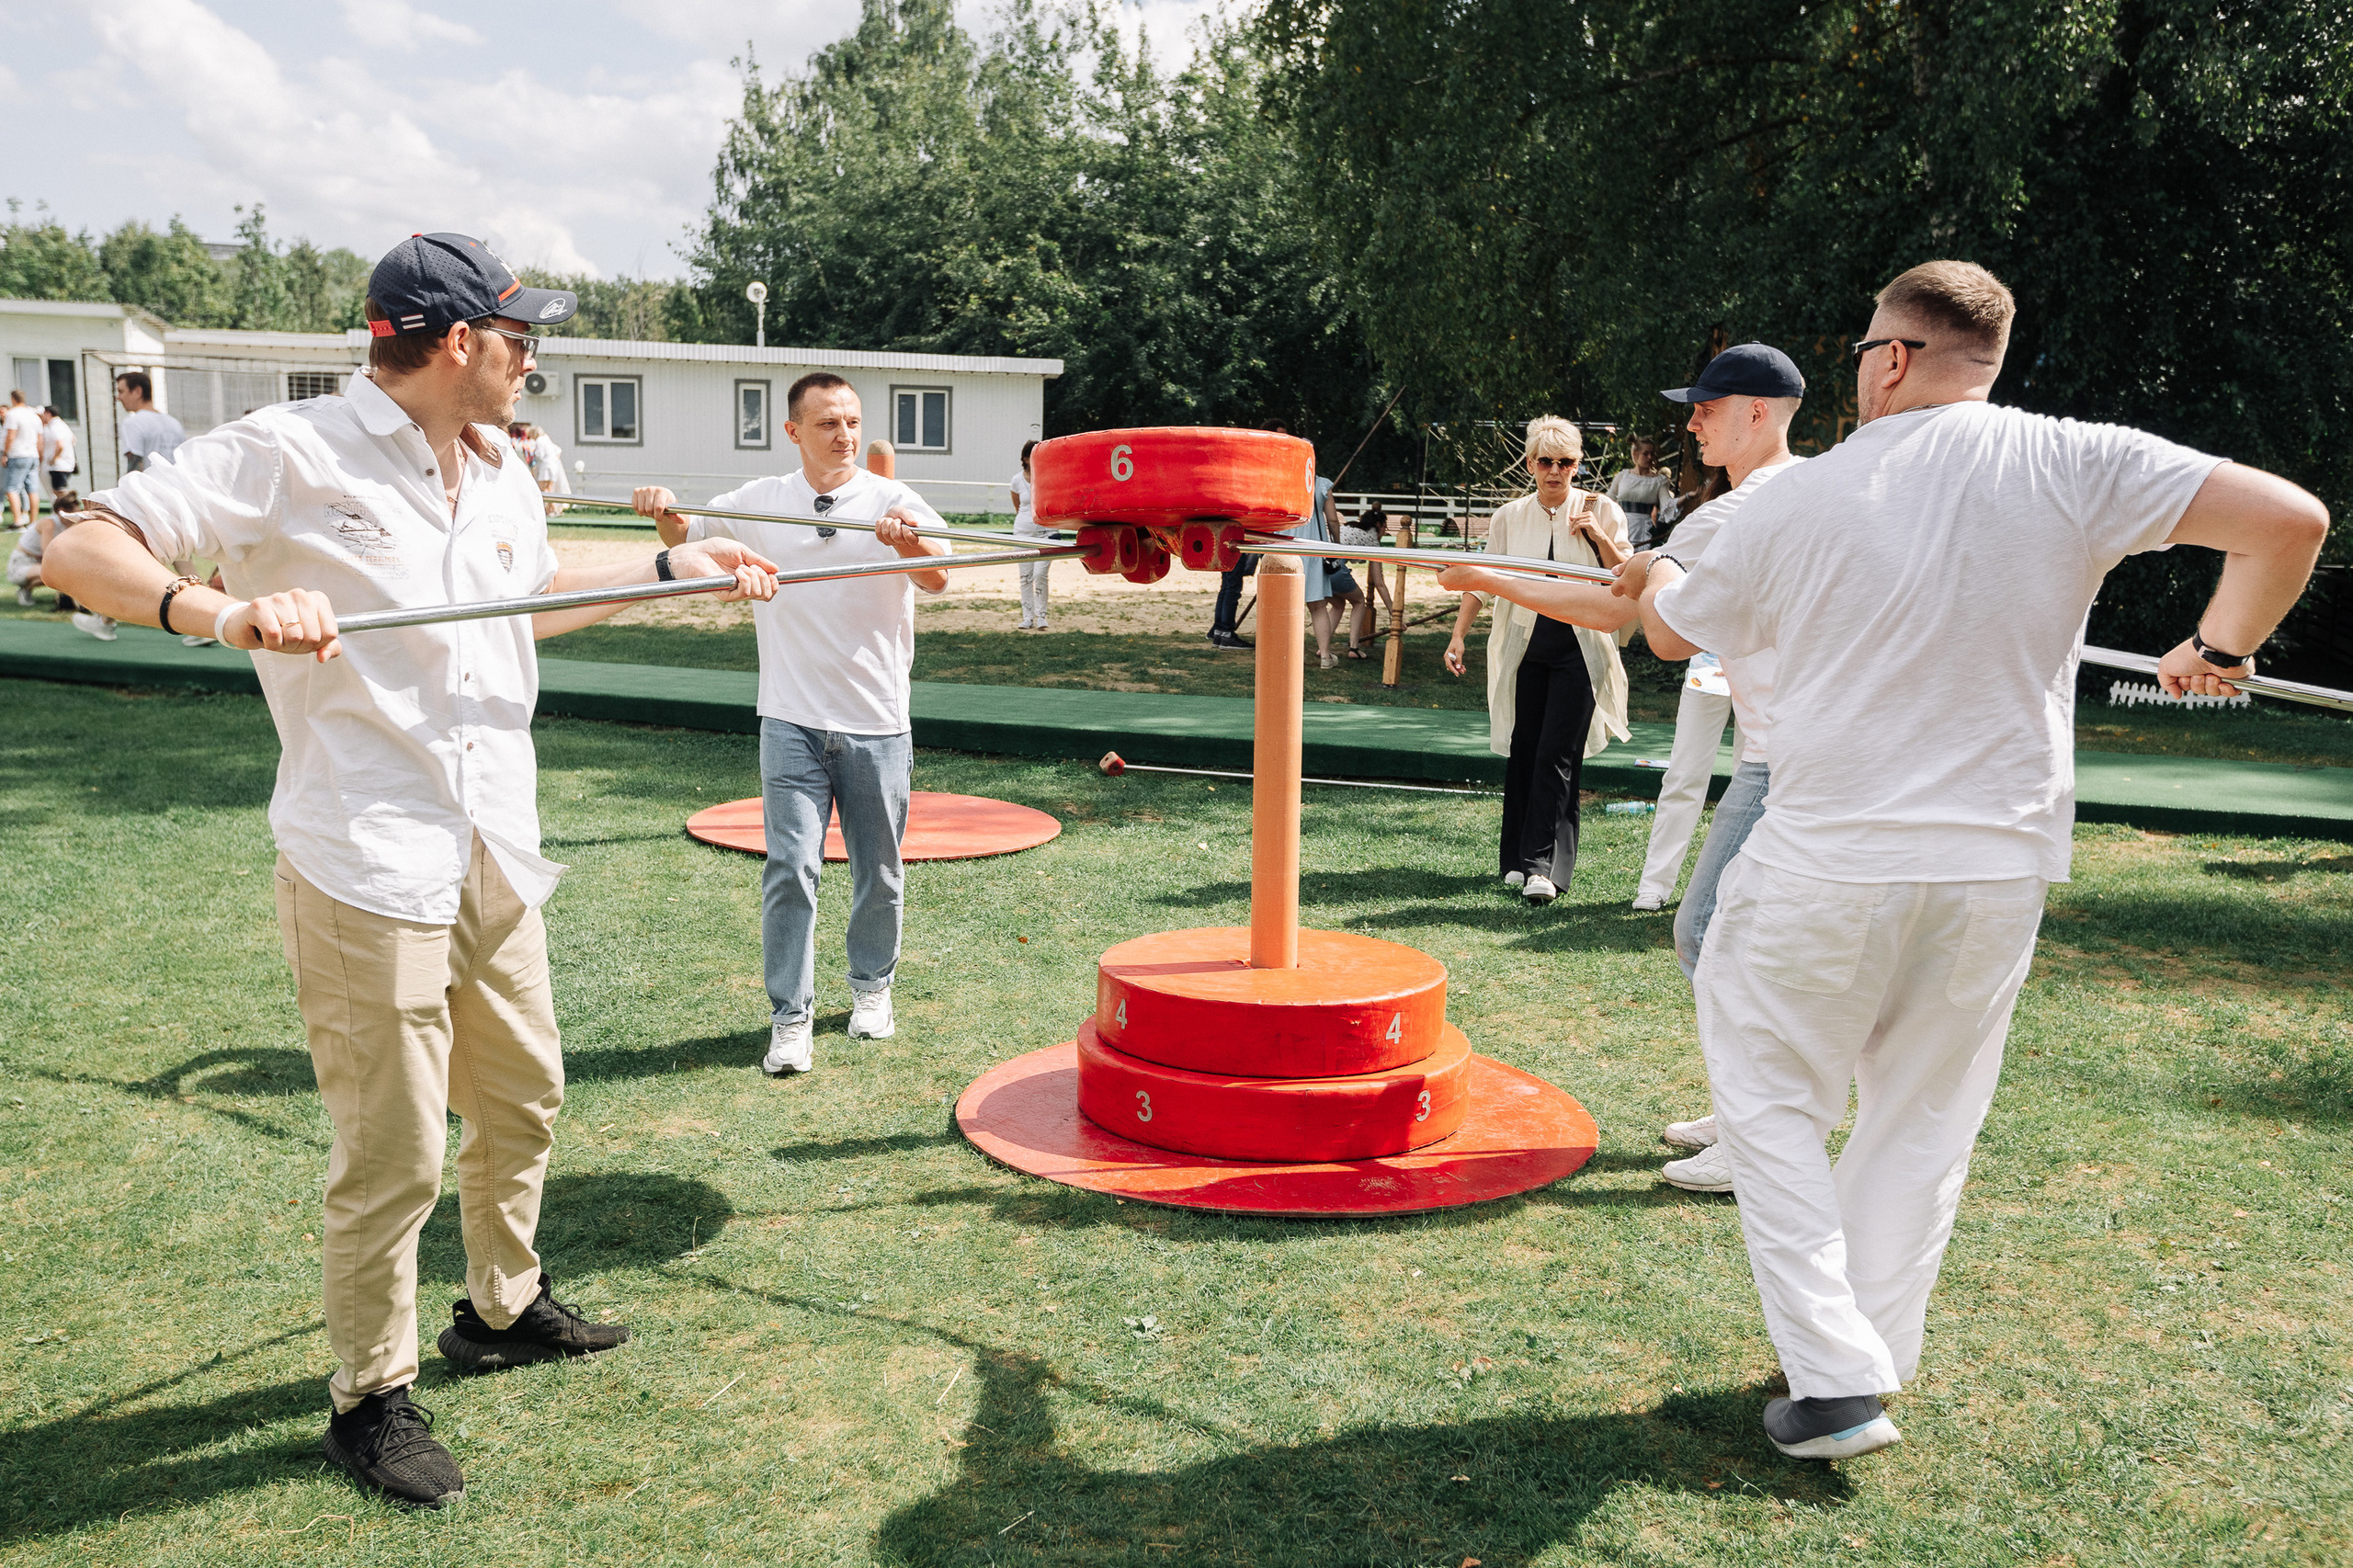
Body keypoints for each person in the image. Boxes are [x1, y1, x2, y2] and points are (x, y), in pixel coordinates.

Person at [45, 231, 784, 1510]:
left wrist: (678, 568)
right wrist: (219, 610)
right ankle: (369, 1396)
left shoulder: (498, 468)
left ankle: (499, 1306)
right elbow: (74, 544)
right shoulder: (290, 452)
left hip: (493, 836)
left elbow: (524, 601)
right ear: (456, 343)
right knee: (394, 1153)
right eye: (520, 336)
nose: (532, 359)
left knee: (529, 1093)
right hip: (363, 857)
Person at [1632, 260, 2325, 1461]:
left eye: (1860, 351)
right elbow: (2290, 521)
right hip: (1999, 859)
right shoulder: (2074, 457)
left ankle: (1839, 1375)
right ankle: (1865, 1354)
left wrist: (1655, 572)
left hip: (1830, 851)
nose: (1856, 372)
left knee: (1771, 1093)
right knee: (1925, 1109)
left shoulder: (1803, 497)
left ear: (1893, 357)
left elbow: (1665, 632)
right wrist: (2222, 641)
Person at [634, 371, 949, 1078]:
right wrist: (662, 513)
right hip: (791, 720)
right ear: (794, 432)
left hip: (876, 722)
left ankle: (872, 989)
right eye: (826, 423)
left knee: (880, 871)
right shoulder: (759, 502)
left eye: (850, 421)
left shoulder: (893, 500)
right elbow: (690, 540)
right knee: (791, 870)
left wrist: (906, 547)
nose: (842, 435)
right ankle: (791, 1018)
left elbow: (937, 577)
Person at [1438, 416, 1631, 904]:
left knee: (1557, 756)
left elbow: (1629, 578)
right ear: (1530, 463)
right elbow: (1481, 580)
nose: (1555, 472)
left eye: (1565, 462)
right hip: (1522, 648)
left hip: (1582, 651)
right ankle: (1517, 861)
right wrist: (1458, 636)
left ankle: (1544, 867)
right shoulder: (1509, 516)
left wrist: (1596, 535)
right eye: (1545, 462)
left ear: (1578, 464)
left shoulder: (1601, 509)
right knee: (1525, 751)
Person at [1608, 437, 1679, 548]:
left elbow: (1668, 505)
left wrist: (1687, 497)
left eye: (1652, 454)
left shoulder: (1659, 481)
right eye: (1645, 454)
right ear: (1635, 454)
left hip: (1644, 532)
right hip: (1620, 526)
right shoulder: (1622, 476)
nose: (1650, 457)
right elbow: (1608, 500)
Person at [1342, 503, 1392, 653]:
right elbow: (1379, 583)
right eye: (1385, 527)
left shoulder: (1351, 527)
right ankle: (1353, 648)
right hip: (1335, 566)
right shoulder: (1372, 540)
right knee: (1359, 601)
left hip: (1320, 563)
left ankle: (1323, 649)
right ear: (1378, 525)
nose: (1384, 532)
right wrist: (1394, 613)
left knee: (1338, 604)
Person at [1011, 437, 1049, 631]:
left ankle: (1042, 615)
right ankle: (1028, 617)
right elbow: (1018, 506)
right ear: (1025, 458)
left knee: (1040, 574)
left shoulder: (1048, 478)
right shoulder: (1017, 480)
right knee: (1025, 577)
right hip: (1022, 534)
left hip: (1045, 534)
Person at [116, 370, 186, 471]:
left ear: (137, 391)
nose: (118, 397)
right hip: (177, 484)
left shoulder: (133, 423)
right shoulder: (175, 423)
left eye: (121, 391)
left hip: (150, 485)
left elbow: (135, 466)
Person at [3, 390, 40, 530]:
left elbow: (11, 436)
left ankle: (18, 522)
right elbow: (40, 438)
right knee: (33, 490)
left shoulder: (12, 414)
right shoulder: (33, 414)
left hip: (18, 455)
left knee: (11, 489)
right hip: (33, 455)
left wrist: (5, 453)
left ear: (13, 399)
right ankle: (33, 522)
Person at [38, 405, 76, 508]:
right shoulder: (63, 425)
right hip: (65, 464)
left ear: (48, 413)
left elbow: (60, 445)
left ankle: (69, 510)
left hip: (58, 465)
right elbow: (73, 440)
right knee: (57, 491)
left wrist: (54, 458)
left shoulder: (55, 427)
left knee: (59, 492)